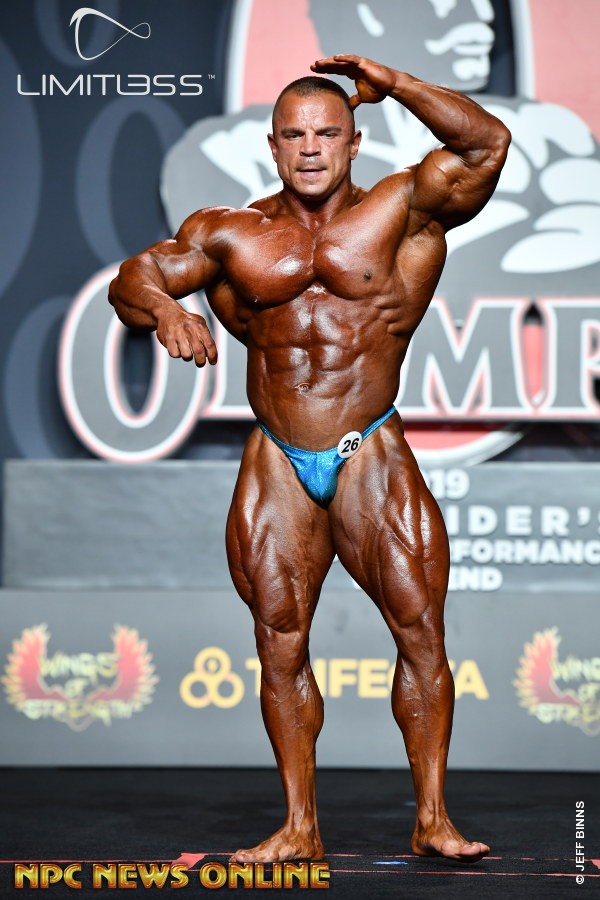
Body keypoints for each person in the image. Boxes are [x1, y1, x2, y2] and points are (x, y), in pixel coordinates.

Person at [109, 54, 510, 863]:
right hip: (278, 454)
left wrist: (399, 85)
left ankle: (432, 818)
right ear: (273, 145)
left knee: (420, 632)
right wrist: (162, 311)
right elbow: (137, 276)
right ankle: (299, 826)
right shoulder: (231, 232)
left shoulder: (404, 210)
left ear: (354, 141)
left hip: (367, 445)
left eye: (327, 133)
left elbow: (486, 145)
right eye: (294, 135)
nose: (311, 148)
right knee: (279, 640)